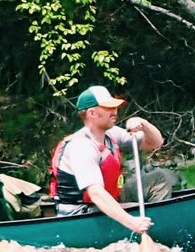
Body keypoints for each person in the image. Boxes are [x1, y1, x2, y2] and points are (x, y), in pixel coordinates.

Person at [49, 85, 165, 237]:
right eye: (108, 108)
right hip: (82, 212)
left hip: (109, 199)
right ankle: (148, 230)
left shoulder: (111, 134)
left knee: (159, 178)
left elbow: (155, 143)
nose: (115, 112)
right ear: (92, 113)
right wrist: (133, 223)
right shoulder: (82, 146)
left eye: (115, 107)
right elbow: (96, 194)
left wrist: (144, 124)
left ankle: (156, 224)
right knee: (131, 212)